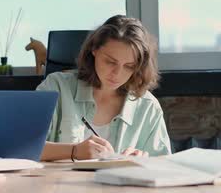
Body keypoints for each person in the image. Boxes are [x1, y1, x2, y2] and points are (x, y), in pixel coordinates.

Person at [38, 15, 171, 161]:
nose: (117, 74)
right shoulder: (55, 87)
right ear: (94, 49)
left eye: (129, 66)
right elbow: (19, 148)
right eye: (110, 62)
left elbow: (164, 167)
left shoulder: (148, 108)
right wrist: (73, 151)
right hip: (57, 183)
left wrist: (143, 160)